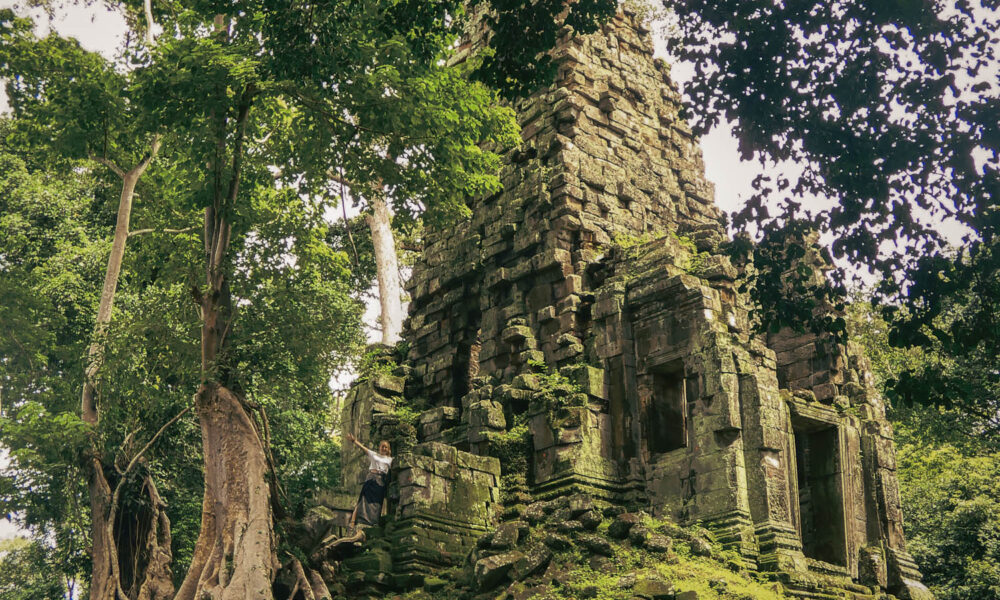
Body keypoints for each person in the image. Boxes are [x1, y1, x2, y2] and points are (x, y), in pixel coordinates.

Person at [345, 432, 393, 534]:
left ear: (388, 449)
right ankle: (353, 523)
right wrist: (354, 441)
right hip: (371, 478)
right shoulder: (374, 455)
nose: (383, 448)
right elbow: (363, 448)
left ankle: (373, 522)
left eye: (386, 447)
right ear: (379, 448)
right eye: (382, 447)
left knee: (376, 502)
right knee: (363, 499)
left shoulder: (390, 460)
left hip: (381, 481)